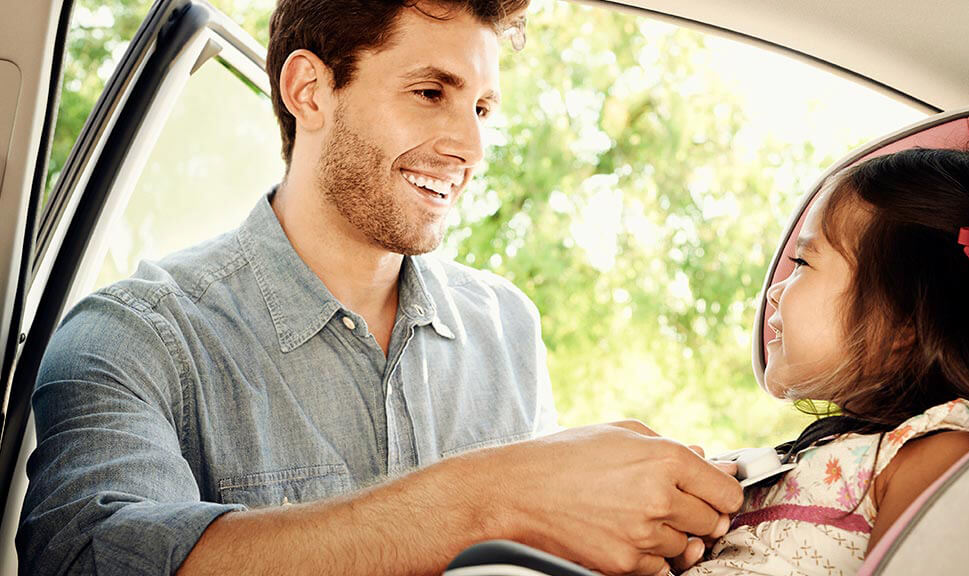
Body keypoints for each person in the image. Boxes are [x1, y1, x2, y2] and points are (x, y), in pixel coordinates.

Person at [16, 1, 742, 575]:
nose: (471, 147)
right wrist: (489, 498)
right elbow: (87, 562)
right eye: (431, 92)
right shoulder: (132, 336)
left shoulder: (507, 326)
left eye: (483, 108)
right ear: (310, 90)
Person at [685, 147, 969, 575]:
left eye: (803, 262)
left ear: (901, 320)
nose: (773, 291)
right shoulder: (817, 453)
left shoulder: (937, 454)